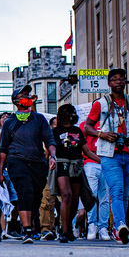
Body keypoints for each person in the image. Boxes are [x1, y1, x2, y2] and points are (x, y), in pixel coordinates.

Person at [84, 67, 129, 244]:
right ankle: (120, 224)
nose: (119, 82)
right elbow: (87, 127)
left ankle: (118, 227)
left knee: (125, 194)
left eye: (122, 79)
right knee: (117, 191)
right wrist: (101, 134)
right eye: (115, 79)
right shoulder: (101, 103)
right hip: (109, 154)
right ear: (109, 83)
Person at [0, 85, 56, 243]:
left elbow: (49, 140)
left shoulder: (39, 119)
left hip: (38, 163)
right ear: (16, 101)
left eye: (28, 95)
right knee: (25, 194)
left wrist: (52, 156)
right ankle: (27, 230)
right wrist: (1, 172)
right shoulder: (9, 122)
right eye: (23, 95)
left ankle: (32, 227)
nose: (27, 97)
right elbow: (3, 149)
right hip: (17, 162)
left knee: (36, 197)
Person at [51, 104, 94, 243]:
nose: (73, 115)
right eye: (71, 112)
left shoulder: (77, 130)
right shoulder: (55, 131)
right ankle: (63, 231)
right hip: (62, 163)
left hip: (76, 165)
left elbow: (86, 151)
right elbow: (49, 150)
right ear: (64, 114)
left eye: (74, 112)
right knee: (66, 195)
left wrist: (102, 160)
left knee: (75, 200)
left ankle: (68, 226)